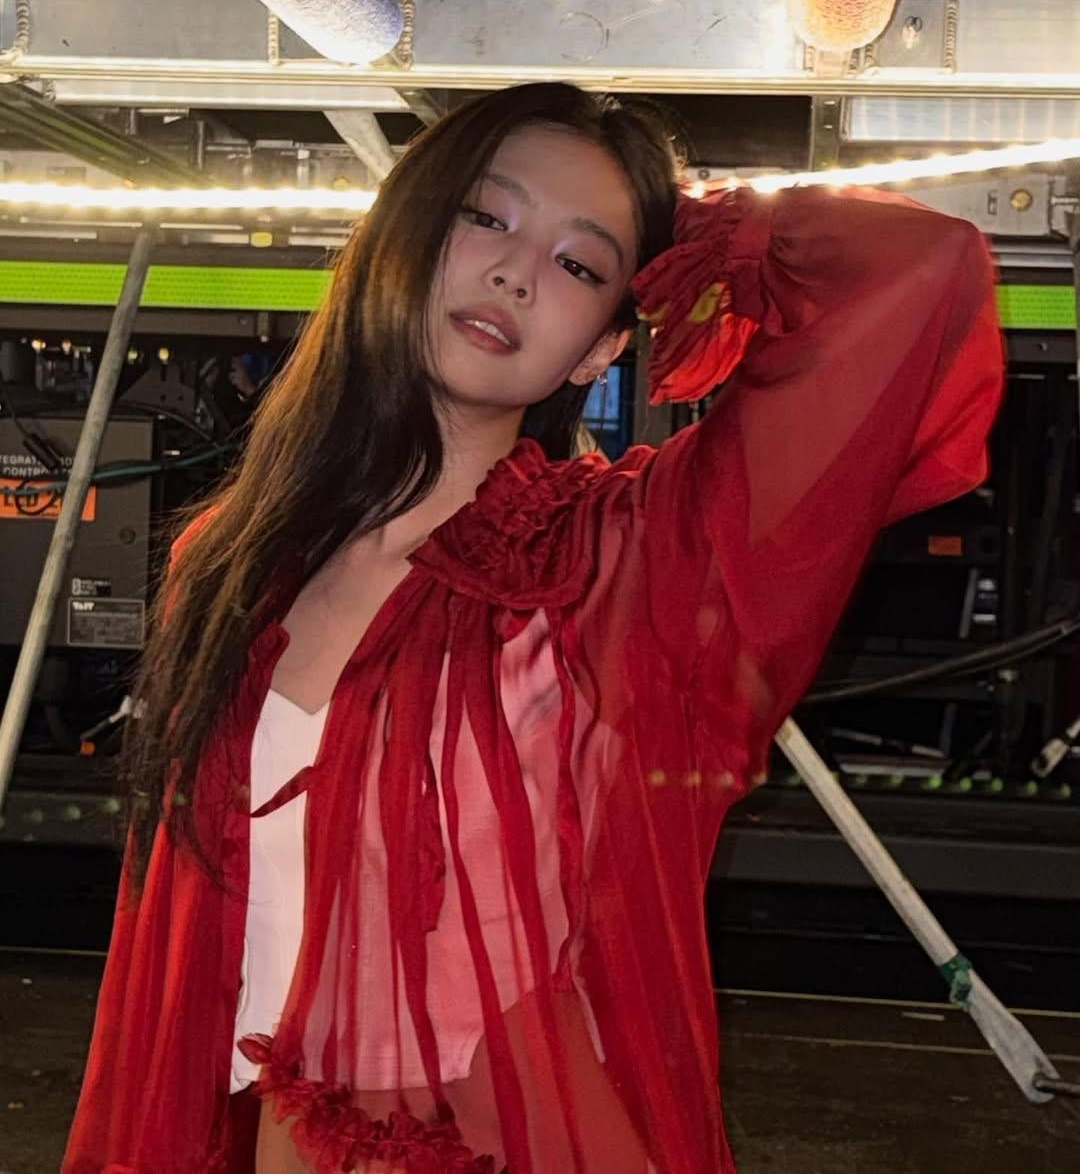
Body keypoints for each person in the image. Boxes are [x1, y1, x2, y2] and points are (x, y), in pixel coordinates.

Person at [62, 82, 1004, 1174]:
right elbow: (180, 934)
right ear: (404, 234)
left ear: (602, 349)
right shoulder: (230, 558)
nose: (516, 272)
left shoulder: (611, 562)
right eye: (484, 215)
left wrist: (694, 229)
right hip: (263, 1130)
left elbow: (924, 269)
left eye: (579, 265)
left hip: (514, 1135)